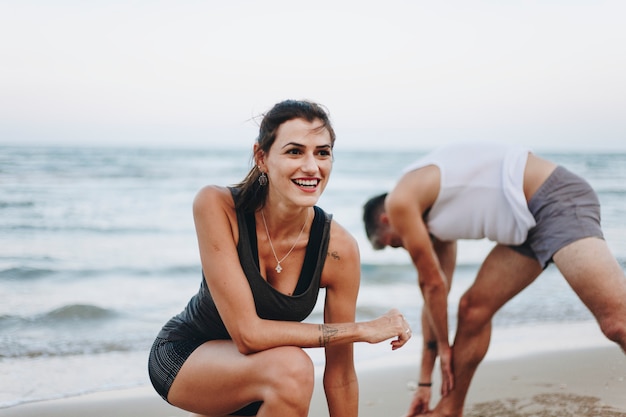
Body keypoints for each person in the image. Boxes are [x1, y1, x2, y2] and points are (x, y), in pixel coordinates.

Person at [148, 99, 412, 417]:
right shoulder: (217, 206)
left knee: (289, 369)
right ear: (262, 157)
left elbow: (341, 375)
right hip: (186, 357)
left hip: (265, 378)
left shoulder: (339, 249)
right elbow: (249, 335)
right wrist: (361, 330)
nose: (312, 167)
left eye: (322, 153)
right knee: (293, 366)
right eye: (294, 151)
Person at [362, 142, 626, 417]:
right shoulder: (434, 227)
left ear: (386, 219)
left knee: (616, 323)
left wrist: (444, 347)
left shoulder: (400, 201)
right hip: (526, 228)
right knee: (472, 310)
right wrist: (425, 383)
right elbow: (434, 298)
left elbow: (433, 285)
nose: (405, 248)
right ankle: (449, 410)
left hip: (554, 202)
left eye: (394, 244)